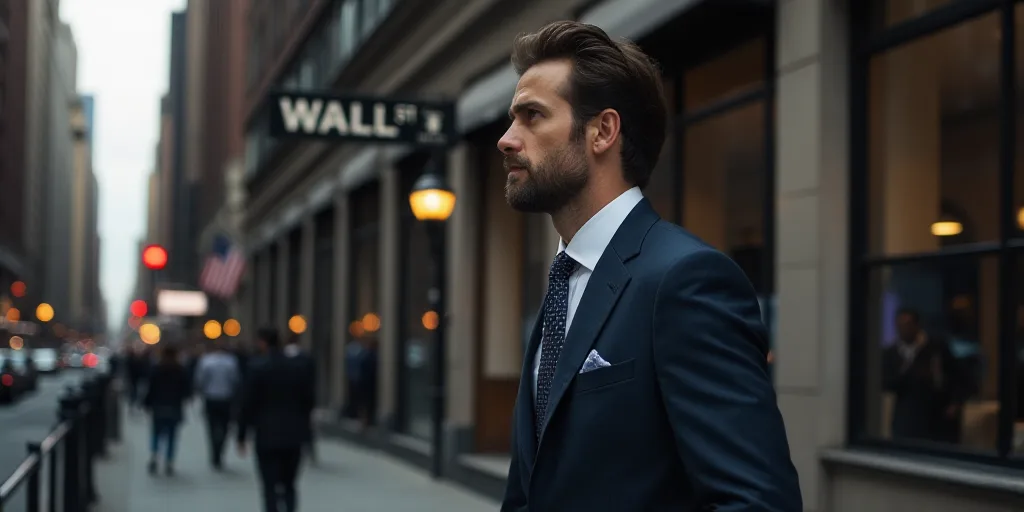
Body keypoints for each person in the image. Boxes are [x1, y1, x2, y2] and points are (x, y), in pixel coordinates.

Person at [497, 21, 801, 511]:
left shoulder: (686, 280)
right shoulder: (563, 279)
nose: (507, 140)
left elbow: (758, 500)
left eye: (532, 116)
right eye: (513, 119)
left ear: (603, 131)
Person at [237, 328, 315, 512]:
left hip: (266, 435)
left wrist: (242, 435)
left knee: (269, 486)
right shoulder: (298, 368)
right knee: (289, 484)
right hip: (293, 434)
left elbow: (248, 403)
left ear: (263, 342)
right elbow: (309, 400)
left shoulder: (257, 368)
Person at [143, 345, 191, 476]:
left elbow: (151, 387)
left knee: (156, 433)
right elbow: (187, 389)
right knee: (172, 435)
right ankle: (169, 461)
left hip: (158, 406)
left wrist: (146, 403)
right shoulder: (180, 370)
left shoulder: (157, 369)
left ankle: (154, 455)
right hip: (174, 406)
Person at [194, 338, 242, 469]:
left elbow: (200, 379)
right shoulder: (231, 361)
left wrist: (202, 391)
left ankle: (215, 452)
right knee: (225, 427)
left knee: (211, 426)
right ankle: (220, 451)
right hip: (226, 398)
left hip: (211, 398)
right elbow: (235, 380)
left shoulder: (206, 361)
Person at [283, 334, 317, 464]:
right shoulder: (306, 358)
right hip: (302, 401)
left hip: (286, 400)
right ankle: (309, 450)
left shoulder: (281, 358)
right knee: (306, 426)